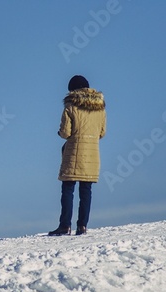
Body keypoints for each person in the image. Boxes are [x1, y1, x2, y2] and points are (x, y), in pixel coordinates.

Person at [49, 75, 106, 236]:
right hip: (92, 154)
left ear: (72, 90)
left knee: (68, 189)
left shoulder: (70, 105)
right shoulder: (100, 107)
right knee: (86, 190)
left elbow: (66, 132)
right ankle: (82, 226)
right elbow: (102, 132)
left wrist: (60, 133)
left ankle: (64, 226)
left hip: (73, 152)